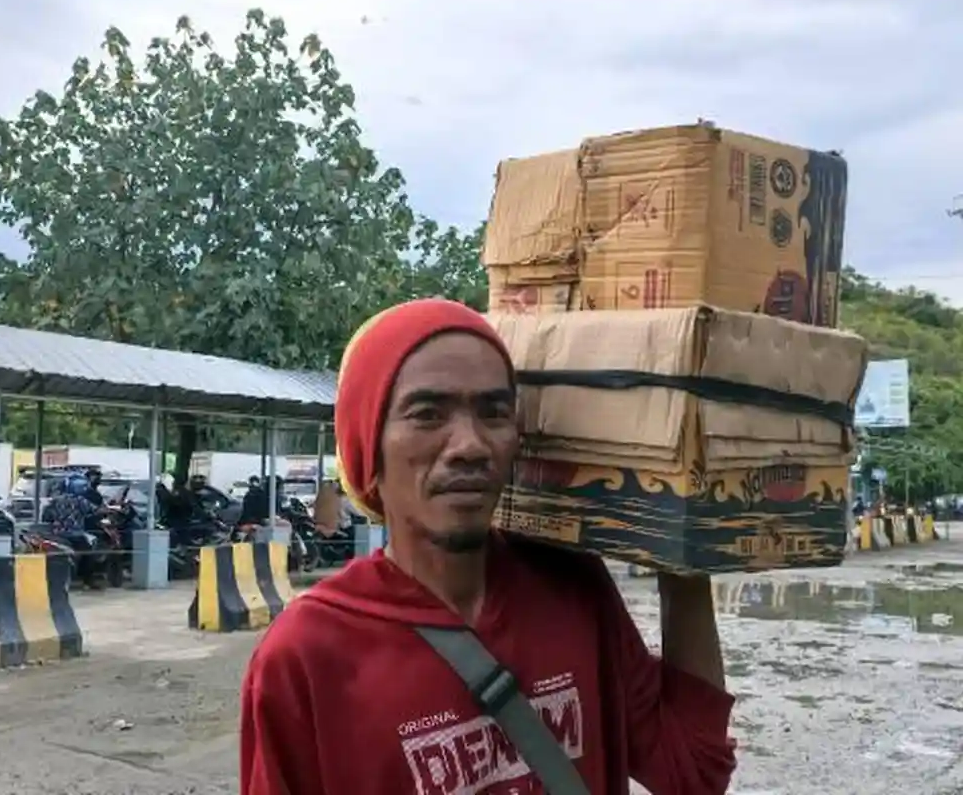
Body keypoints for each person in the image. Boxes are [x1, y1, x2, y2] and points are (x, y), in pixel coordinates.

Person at [240, 299, 736, 794]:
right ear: (369, 449)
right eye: (427, 414)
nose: (470, 445)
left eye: (494, 413)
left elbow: (693, 772)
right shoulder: (305, 655)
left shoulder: (573, 589)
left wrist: (684, 544)